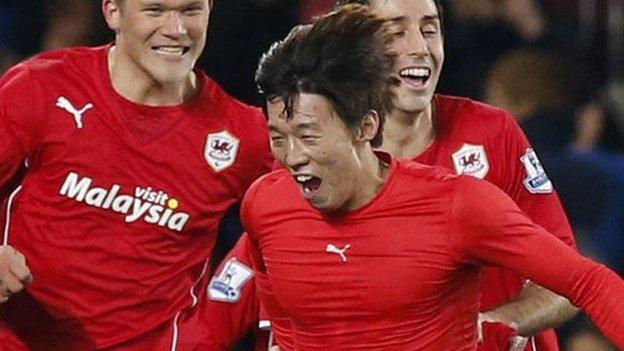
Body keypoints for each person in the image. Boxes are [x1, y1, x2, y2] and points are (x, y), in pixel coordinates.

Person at [243, 4, 624, 350]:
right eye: (394, 32)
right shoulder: (284, 186)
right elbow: (281, 313)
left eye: (430, 29)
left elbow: (578, 280)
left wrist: (498, 324)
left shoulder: (473, 172)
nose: (419, 47)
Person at [0, 0, 272, 349]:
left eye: (191, 11)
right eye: (155, 10)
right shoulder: (41, 87)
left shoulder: (243, 136)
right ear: (113, 12)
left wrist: (208, 328)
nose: (176, 30)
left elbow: (302, 213)